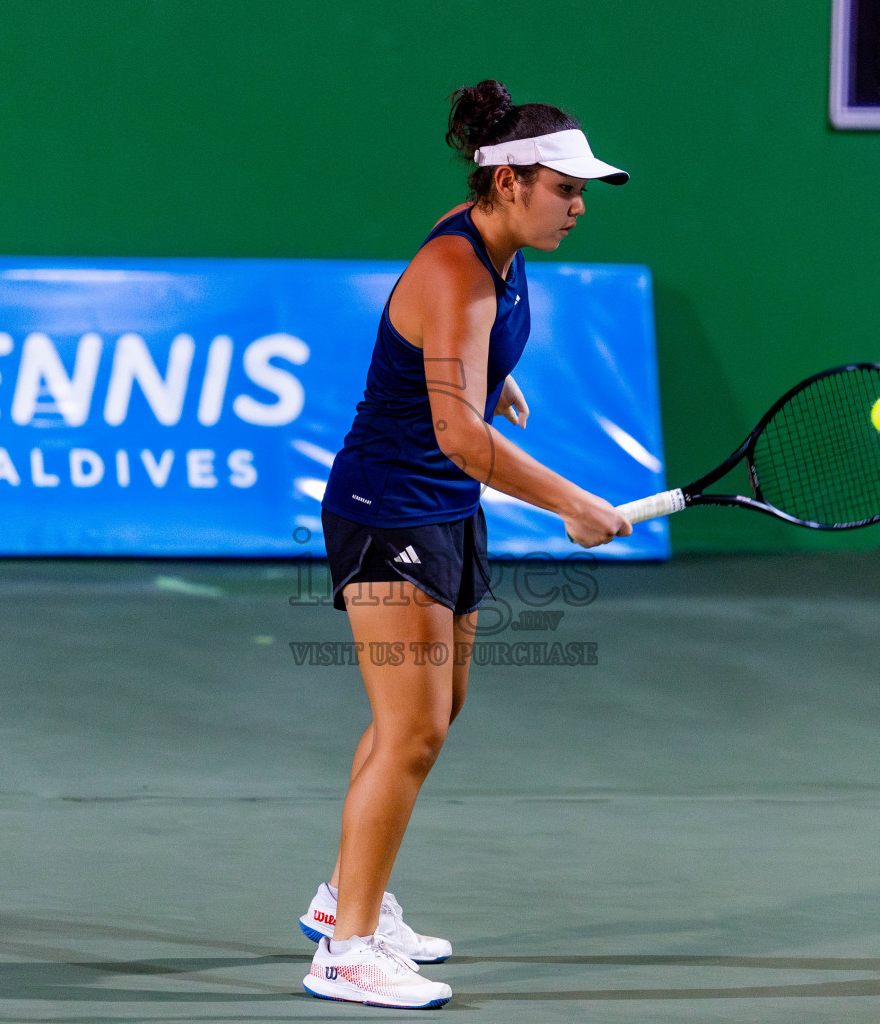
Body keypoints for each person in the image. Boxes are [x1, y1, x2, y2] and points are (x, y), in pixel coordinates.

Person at [299, 79, 632, 1009]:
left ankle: (342, 901)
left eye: (582, 191)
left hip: (441, 509)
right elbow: (456, 434)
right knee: (410, 728)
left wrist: (493, 381)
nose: (577, 206)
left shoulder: (496, 237)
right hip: (387, 508)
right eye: (564, 189)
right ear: (510, 180)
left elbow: (455, 369)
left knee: (435, 712)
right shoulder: (455, 268)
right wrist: (575, 503)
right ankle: (347, 950)